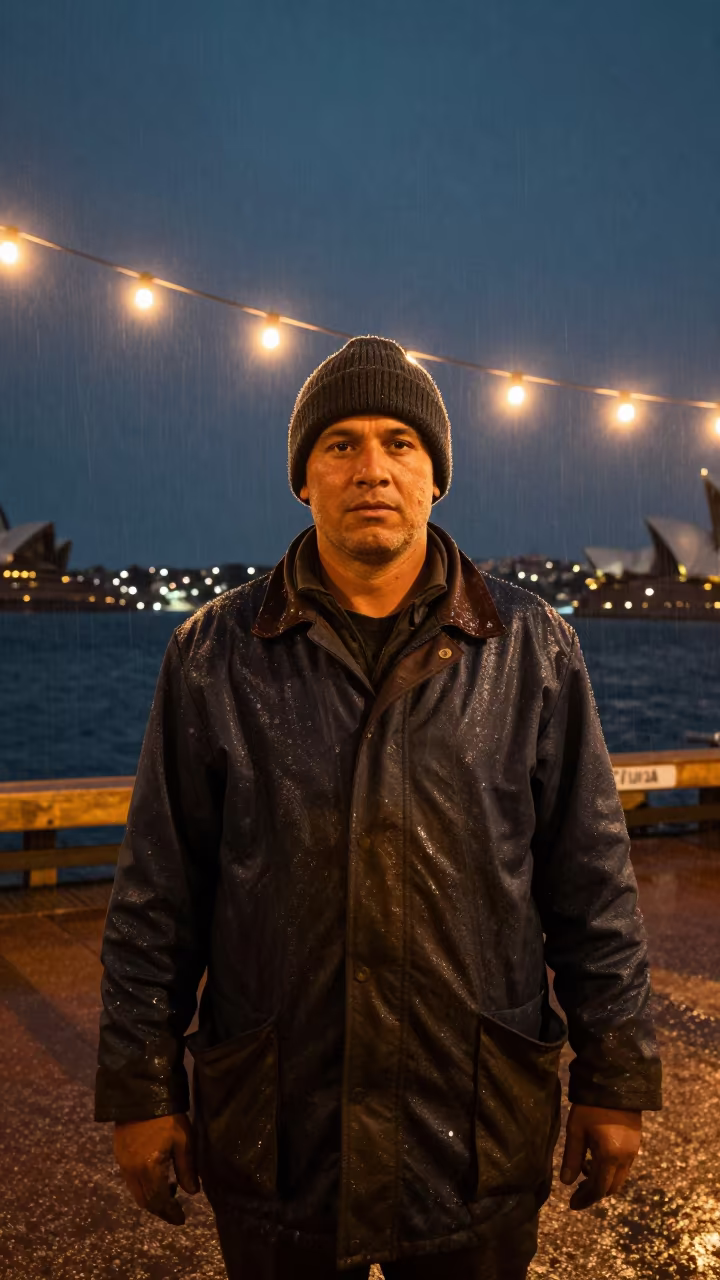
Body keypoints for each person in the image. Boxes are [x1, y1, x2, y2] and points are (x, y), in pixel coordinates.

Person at [95, 336, 662, 1279]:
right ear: (302, 478)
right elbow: (159, 895)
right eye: (341, 445)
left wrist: (617, 1076)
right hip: (280, 1133)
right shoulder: (213, 654)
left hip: (471, 1127)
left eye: (401, 443)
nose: (372, 469)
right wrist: (141, 1088)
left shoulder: (532, 649)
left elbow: (592, 884)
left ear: (436, 476)